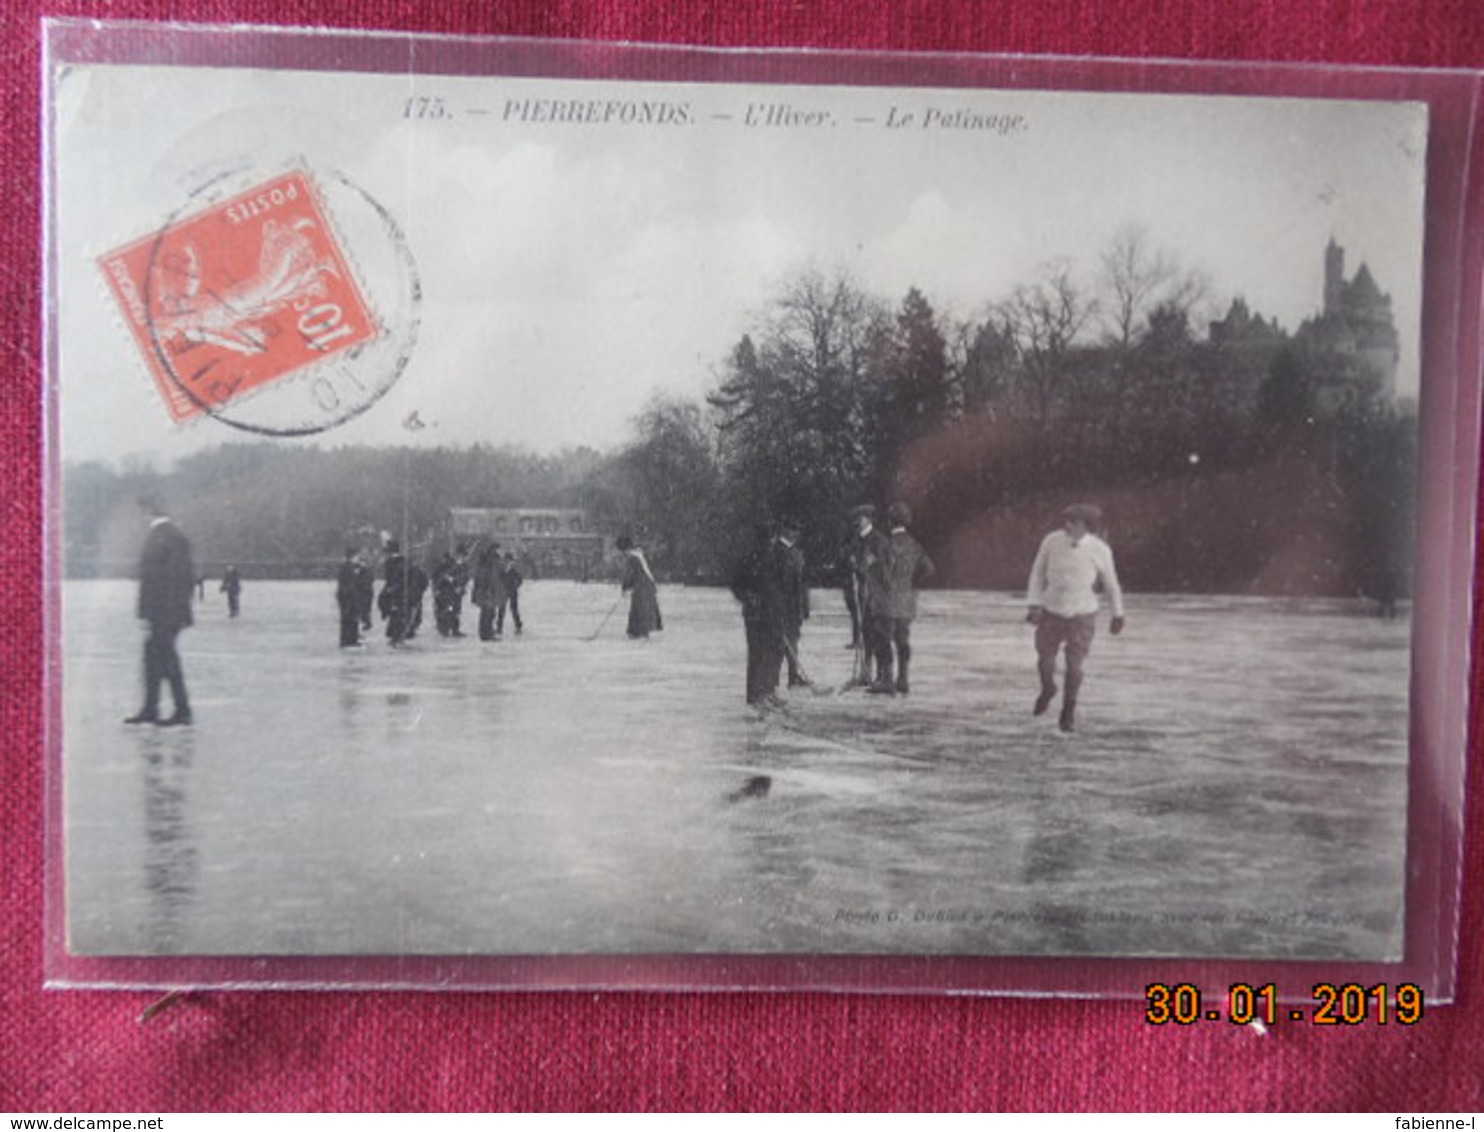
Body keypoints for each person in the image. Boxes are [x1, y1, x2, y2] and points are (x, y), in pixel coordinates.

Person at [1025, 502, 1126, 733]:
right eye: (1066, 521)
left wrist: (1117, 614)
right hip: (1051, 610)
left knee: (1074, 665)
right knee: (1045, 660)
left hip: (1082, 614)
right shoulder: (1051, 541)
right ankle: (1048, 688)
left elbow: (1111, 584)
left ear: (1086, 526)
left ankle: (1068, 711)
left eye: (1073, 521)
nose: (1067, 525)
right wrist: (1034, 604)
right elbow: (1038, 572)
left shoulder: (1100, 550)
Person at [125, 496, 195, 726]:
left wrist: (156, 614)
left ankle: (180, 710)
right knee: (155, 658)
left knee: (165, 659)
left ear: (148, 511)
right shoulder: (166, 536)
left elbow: (174, 579)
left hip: (165, 612)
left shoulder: (168, 537)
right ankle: (153, 708)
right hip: (163, 612)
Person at [866, 502, 935, 696]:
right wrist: (911, 583)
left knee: (884, 640)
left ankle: (887, 681)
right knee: (903, 640)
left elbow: (884, 576)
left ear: (890, 522)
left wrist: (871, 567)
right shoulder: (915, 546)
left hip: (887, 602)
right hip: (906, 602)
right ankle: (903, 679)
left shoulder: (887, 546)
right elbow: (929, 569)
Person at [729, 523, 787, 707]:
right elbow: (736, 584)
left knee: (773, 653)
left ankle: (768, 691)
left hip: (774, 613)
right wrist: (749, 597)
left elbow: (780, 586)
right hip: (756, 615)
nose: (773, 541)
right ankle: (755, 695)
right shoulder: (749, 558)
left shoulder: (776, 557)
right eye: (771, 538)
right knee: (758, 654)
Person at [844, 504, 884, 685]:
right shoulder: (856, 540)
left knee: (877, 635)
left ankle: (882, 675)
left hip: (876, 596)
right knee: (865, 634)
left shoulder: (879, 540)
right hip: (861, 595)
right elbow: (852, 560)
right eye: (856, 518)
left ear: (868, 519)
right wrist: (852, 562)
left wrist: (870, 565)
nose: (857, 521)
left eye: (860, 517)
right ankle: (866, 673)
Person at [775, 518, 811, 687]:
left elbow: (802, 584)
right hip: (781, 606)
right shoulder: (776, 552)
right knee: (778, 645)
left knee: (793, 641)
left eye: (797, 530)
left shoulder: (798, 554)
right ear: (784, 530)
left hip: (794, 607)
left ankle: (793, 676)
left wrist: (805, 606)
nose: (795, 533)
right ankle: (772, 681)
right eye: (792, 529)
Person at [616, 535, 662, 639]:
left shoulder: (633, 557)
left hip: (643, 585)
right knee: (639, 607)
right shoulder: (638, 555)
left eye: (623, 551)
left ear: (626, 548)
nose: (623, 554)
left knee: (641, 607)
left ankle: (640, 631)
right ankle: (636, 630)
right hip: (645, 585)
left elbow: (630, 574)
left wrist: (625, 586)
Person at [471, 541, 508, 641]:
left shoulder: (491, 560)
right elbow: (487, 576)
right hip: (488, 591)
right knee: (488, 613)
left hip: (490, 591)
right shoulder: (490, 561)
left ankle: (486, 633)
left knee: (488, 613)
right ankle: (486, 634)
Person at [432, 545, 470, 638]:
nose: (464, 558)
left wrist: (461, 587)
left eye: (465, 556)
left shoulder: (464, 566)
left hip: (457, 593)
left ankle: (455, 629)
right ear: (458, 555)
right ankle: (443, 629)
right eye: (462, 556)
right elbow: (437, 576)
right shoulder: (449, 565)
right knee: (447, 610)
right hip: (446, 592)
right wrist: (449, 581)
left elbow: (465, 578)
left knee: (456, 611)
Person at [378, 539, 411, 645]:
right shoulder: (403, 562)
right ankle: (397, 634)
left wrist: (391, 588)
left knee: (396, 613)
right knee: (398, 613)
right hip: (399, 591)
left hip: (396, 591)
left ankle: (396, 635)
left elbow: (394, 578)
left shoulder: (394, 563)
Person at [336, 548, 369, 647]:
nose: (359, 559)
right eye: (358, 557)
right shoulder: (349, 568)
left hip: (344, 596)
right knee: (351, 619)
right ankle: (350, 641)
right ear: (353, 557)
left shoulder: (345, 567)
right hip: (349, 597)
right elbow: (351, 585)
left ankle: (348, 640)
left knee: (348, 619)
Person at [499, 552, 524, 636]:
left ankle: (518, 626)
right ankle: (499, 627)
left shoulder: (513, 570)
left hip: (512, 591)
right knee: (501, 609)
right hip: (503, 591)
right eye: (507, 561)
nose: (508, 562)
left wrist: (516, 586)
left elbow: (520, 580)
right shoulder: (501, 570)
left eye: (509, 561)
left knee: (514, 609)